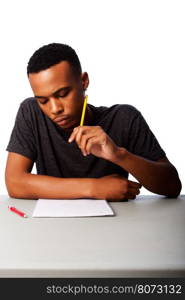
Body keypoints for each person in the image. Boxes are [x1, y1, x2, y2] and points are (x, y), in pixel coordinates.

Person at [5, 43, 181, 201]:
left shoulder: (124, 118)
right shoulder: (31, 112)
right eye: (43, 100)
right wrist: (95, 188)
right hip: (53, 229)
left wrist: (119, 155)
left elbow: (172, 187)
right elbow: (15, 182)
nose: (54, 109)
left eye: (63, 94)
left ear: (83, 81)